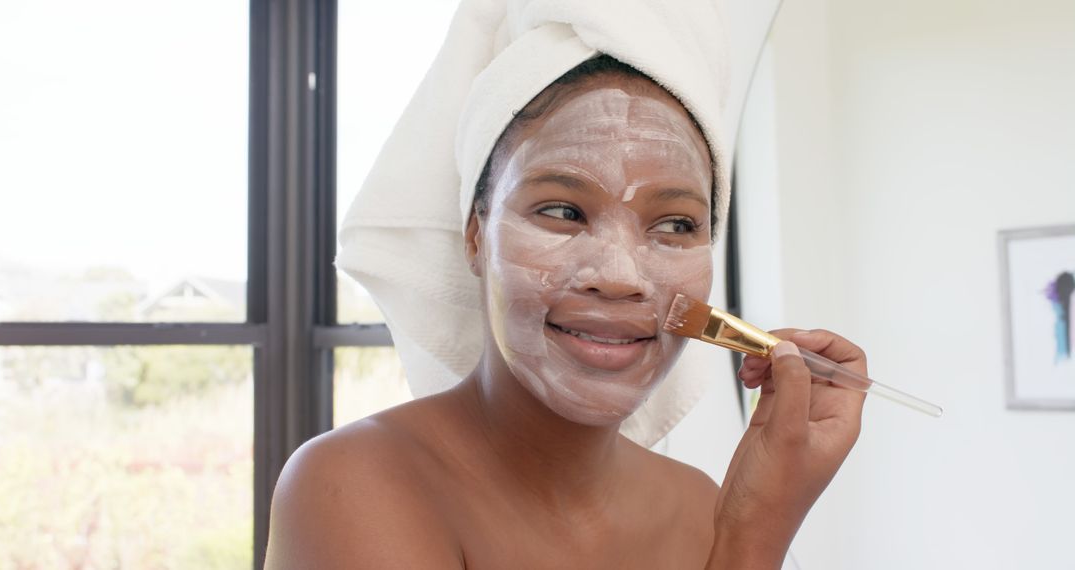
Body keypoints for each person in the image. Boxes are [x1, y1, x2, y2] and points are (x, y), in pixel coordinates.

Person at [263, 49, 868, 569]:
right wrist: (752, 540)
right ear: (476, 236)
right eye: (562, 211)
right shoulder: (352, 484)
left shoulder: (699, 505)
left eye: (677, 224)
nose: (619, 276)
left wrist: (745, 522)